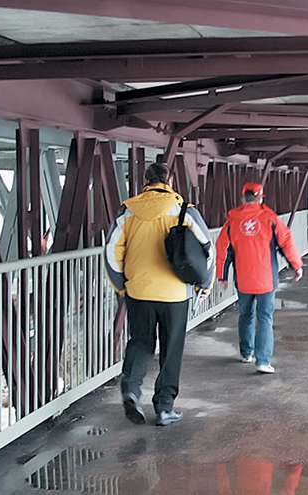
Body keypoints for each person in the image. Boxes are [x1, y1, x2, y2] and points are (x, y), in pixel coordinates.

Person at [105, 162, 214, 426]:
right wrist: (204, 286)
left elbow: (111, 251)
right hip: (175, 294)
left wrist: (122, 285)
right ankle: (164, 408)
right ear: (169, 181)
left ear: (144, 180)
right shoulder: (184, 210)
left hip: (138, 291)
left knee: (141, 342)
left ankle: (131, 387)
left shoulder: (127, 211)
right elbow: (208, 251)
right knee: (171, 349)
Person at [215, 182, 303, 374]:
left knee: (245, 315)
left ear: (242, 198)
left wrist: (222, 275)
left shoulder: (232, 221)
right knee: (265, 318)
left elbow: (222, 248)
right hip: (266, 279)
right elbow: (286, 242)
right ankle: (263, 361)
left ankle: (247, 353)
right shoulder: (270, 219)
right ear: (261, 198)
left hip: (244, 279)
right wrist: (296, 265)